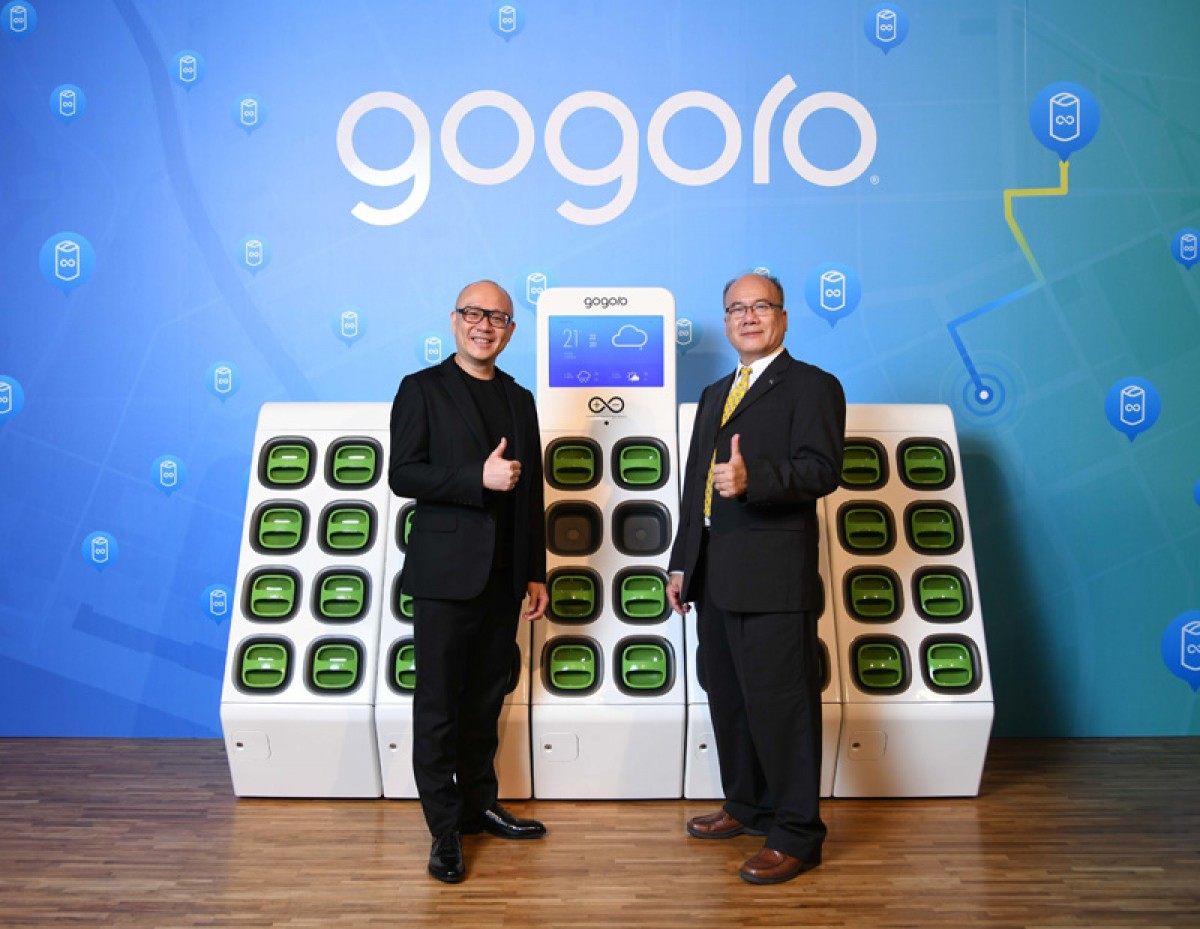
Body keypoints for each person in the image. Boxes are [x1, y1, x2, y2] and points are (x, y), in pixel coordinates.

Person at [667, 271, 846, 885]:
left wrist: (755, 479)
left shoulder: (814, 386)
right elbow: (696, 484)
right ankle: (747, 806)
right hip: (715, 575)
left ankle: (797, 833)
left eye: (760, 306)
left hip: (774, 578)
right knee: (731, 700)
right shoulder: (716, 392)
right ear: (725, 322)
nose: (748, 317)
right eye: (736, 308)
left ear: (783, 317)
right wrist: (682, 562)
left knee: (783, 707)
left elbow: (823, 470)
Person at [388, 280, 549, 884]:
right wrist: (474, 478)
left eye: (498, 318)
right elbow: (403, 474)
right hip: (445, 575)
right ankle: (444, 828)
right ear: (454, 320)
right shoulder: (421, 389)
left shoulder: (519, 398)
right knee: (439, 704)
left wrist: (534, 572)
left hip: (504, 577)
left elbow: (531, 493)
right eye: (474, 314)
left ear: (510, 330)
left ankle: (480, 805)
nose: (485, 325)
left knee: (485, 698)